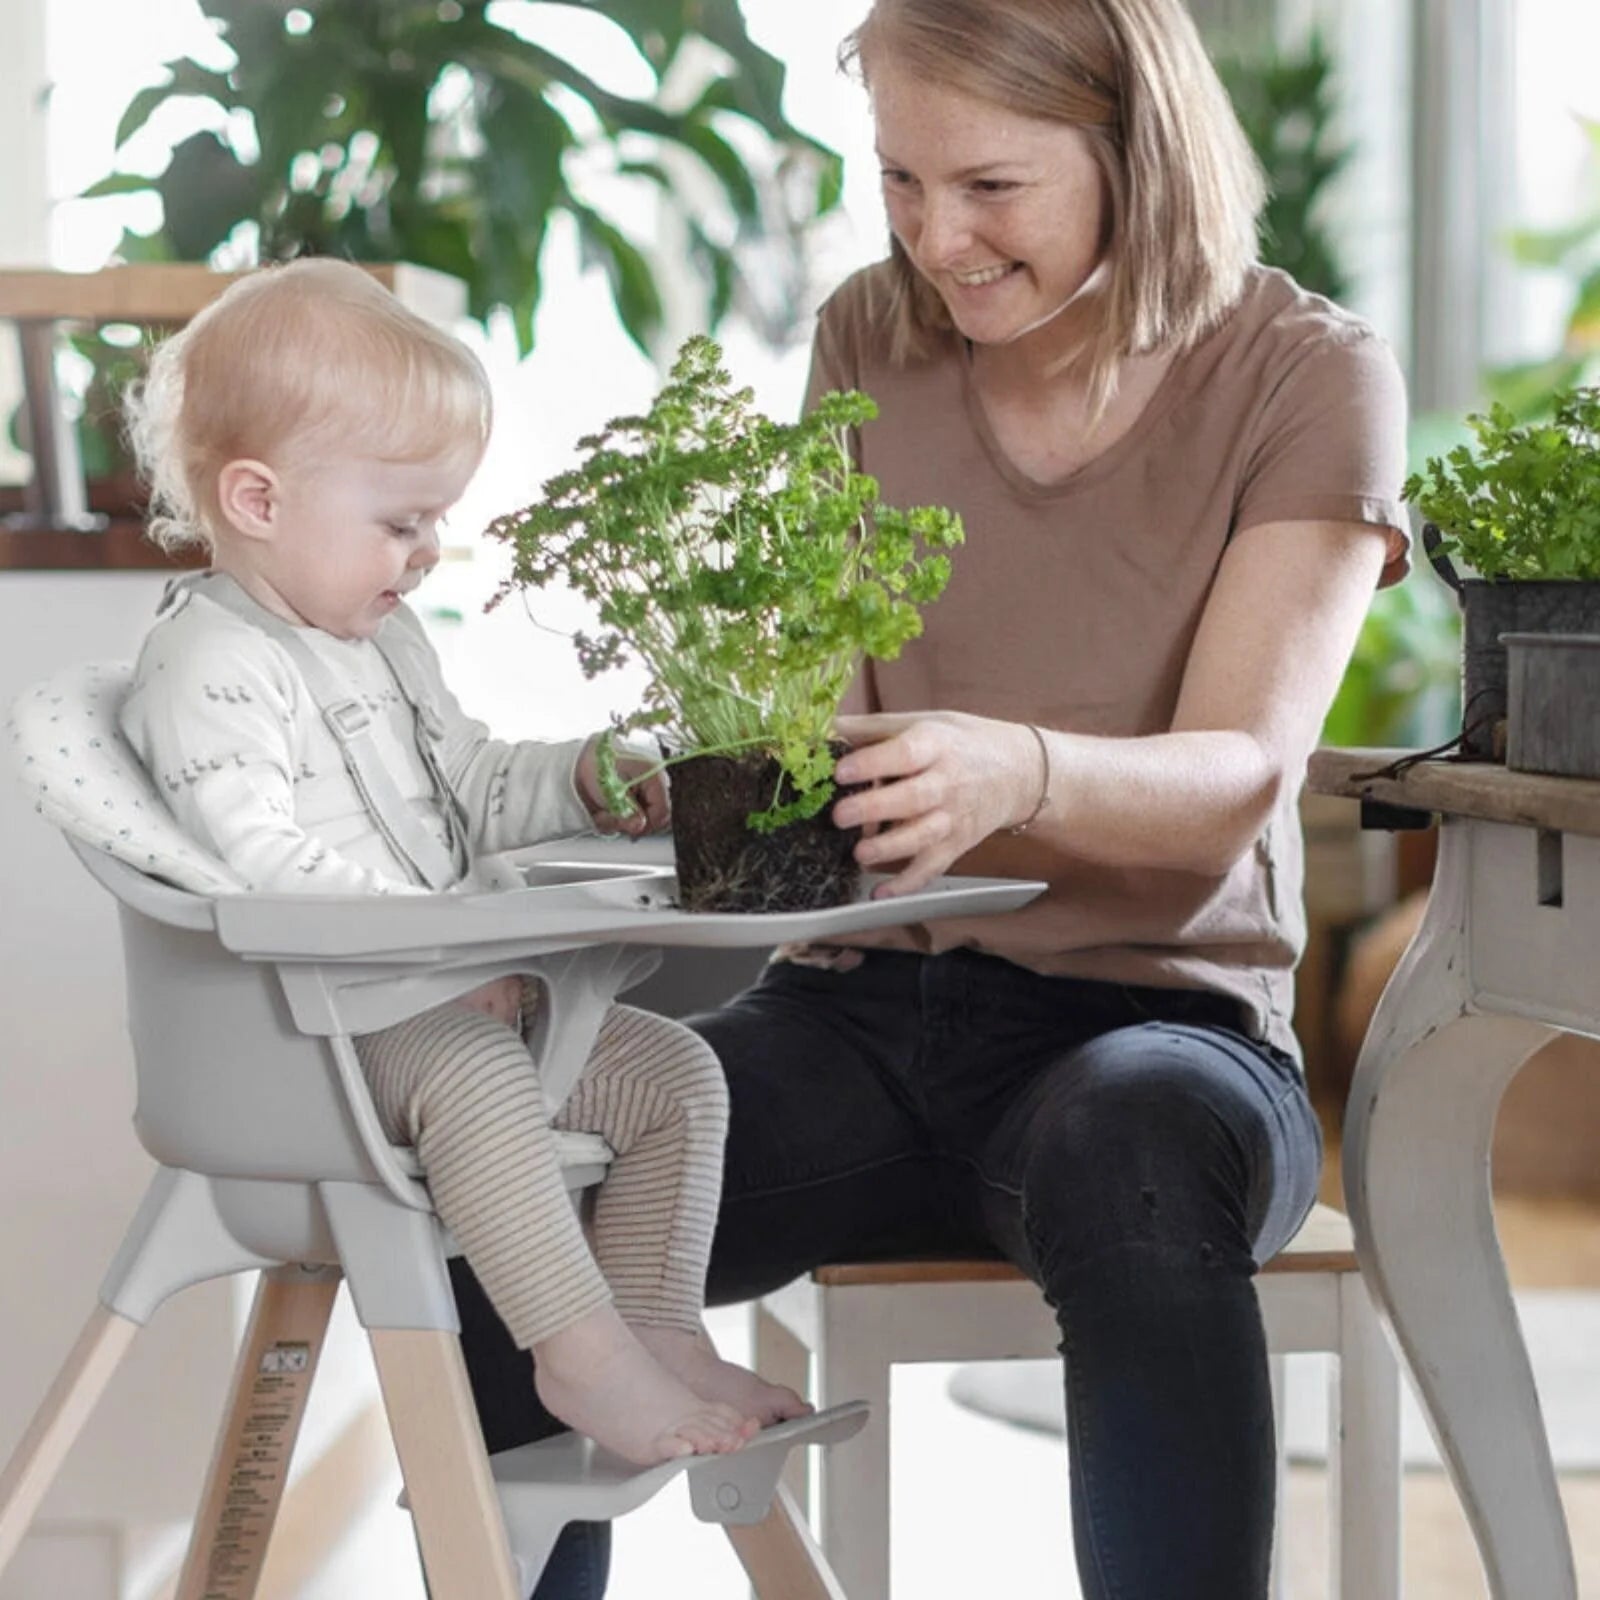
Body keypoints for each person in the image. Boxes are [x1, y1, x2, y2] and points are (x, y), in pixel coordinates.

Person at [455, 0, 1410, 1593]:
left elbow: (1235, 780)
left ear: (1134, 150)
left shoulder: (1303, 376)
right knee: (531, 1212)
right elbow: (828, 733)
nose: (934, 239)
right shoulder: (870, 335)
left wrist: (1013, 768)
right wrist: (704, 772)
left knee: (1134, 1153)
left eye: (989, 187)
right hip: (864, 1019)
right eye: (899, 179)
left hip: (1161, 1030)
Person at [116, 257, 808, 1469]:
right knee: (481, 1072)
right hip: (300, 1036)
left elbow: (471, 786)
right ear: (259, 501)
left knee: (676, 1077)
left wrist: (586, 776)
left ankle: (658, 1327)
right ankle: (579, 1354)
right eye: (401, 521)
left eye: (432, 520)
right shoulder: (211, 667)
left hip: (421, 1010)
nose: (429, 550)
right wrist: (436, 967)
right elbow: (259, 866)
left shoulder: (378, 645)